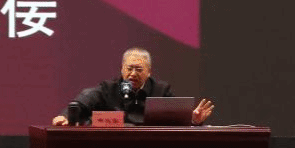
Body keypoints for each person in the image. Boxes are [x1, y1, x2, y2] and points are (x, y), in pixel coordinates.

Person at [51, 47, 214, 126]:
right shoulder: (108, 88)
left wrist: (193, 120)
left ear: (149, 72)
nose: (133, 74)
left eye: (139, 69)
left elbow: (176, 121)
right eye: (129, 68)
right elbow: (81, 103)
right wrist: (65, 117)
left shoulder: (162, 90)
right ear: (122, 69)